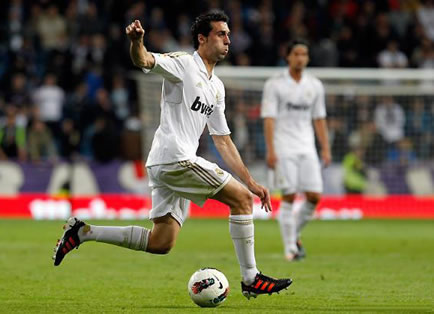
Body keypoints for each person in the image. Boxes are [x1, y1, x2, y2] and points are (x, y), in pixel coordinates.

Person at [53, 12, 292, 299]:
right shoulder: (182, 64)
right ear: (202, 39)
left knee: (161, 242)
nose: (228, 40)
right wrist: (137, 42)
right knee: (241, 201)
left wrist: (251, 181)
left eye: (228, 35)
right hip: (174, 158)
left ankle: (82, 232)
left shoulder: (217, 88)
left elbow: (223, 140)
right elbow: (144, 60)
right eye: (221, 34)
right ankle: (251, 277)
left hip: (165, 163)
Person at [261, 39, 331, 261]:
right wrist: (271, 150)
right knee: (289, 195)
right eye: (297, 54)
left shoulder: (315, 85)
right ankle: (290, 248)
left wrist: (326, 148)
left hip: (307, 146)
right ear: (288, 57)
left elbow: (319, 119)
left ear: (308, 58)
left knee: (314, 196)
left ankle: (294, 234)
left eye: (304, 54)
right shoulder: (275, 84)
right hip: (284, 147)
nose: (300, 58)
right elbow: (269, 119)